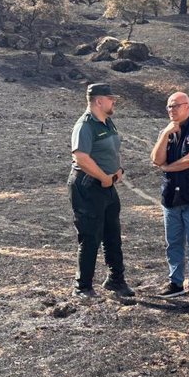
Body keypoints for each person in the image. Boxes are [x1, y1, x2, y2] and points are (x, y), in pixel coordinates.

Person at [67, 83, 135, 300]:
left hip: (107, 186)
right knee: (90, 236)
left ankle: (115, 280)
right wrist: (104, 177)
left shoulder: (107, 121)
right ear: (98, 101)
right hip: (88, 186)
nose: (113, 101)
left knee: (112, 233)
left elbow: (113, 149)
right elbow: (81, 157)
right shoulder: (85, 125)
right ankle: (82, 287)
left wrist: (117, 171)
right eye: (110, 98)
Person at [150, 92, 189, 301]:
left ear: (188, 106)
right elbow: (156, 159)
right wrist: (165, 135)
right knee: (173, 241)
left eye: (176, 106)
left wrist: (168, 167)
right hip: (171, 195)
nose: (172, 110)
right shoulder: (168, 131)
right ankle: (175, 282)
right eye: (169, 107)